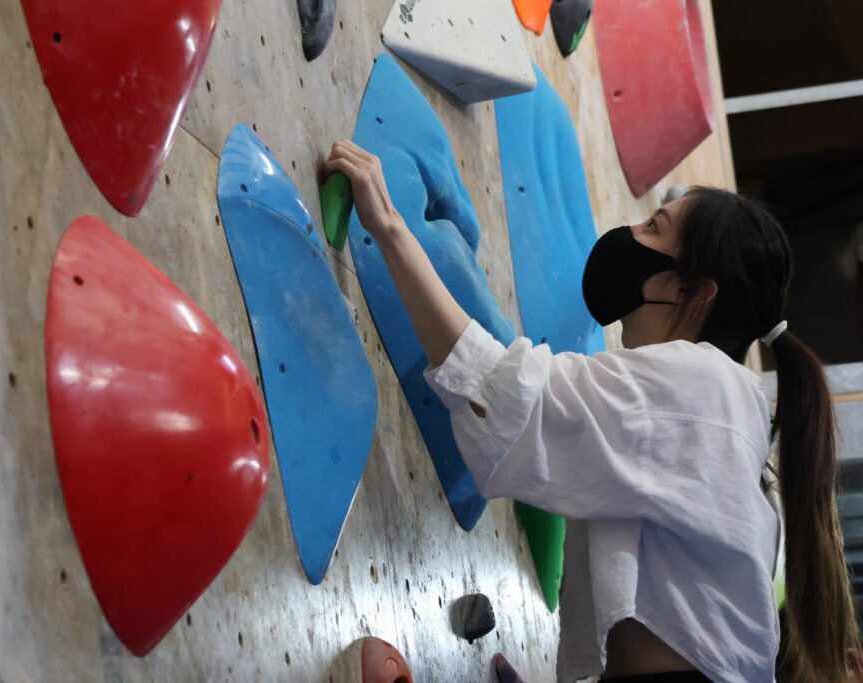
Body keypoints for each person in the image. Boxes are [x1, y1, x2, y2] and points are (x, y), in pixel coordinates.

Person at [324, 140, 860, 682]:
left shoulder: (699, 387)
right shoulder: (723, 403)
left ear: (692, 291)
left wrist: (389, 225)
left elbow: (504, 398)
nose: (632, 234)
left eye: (654, 227)